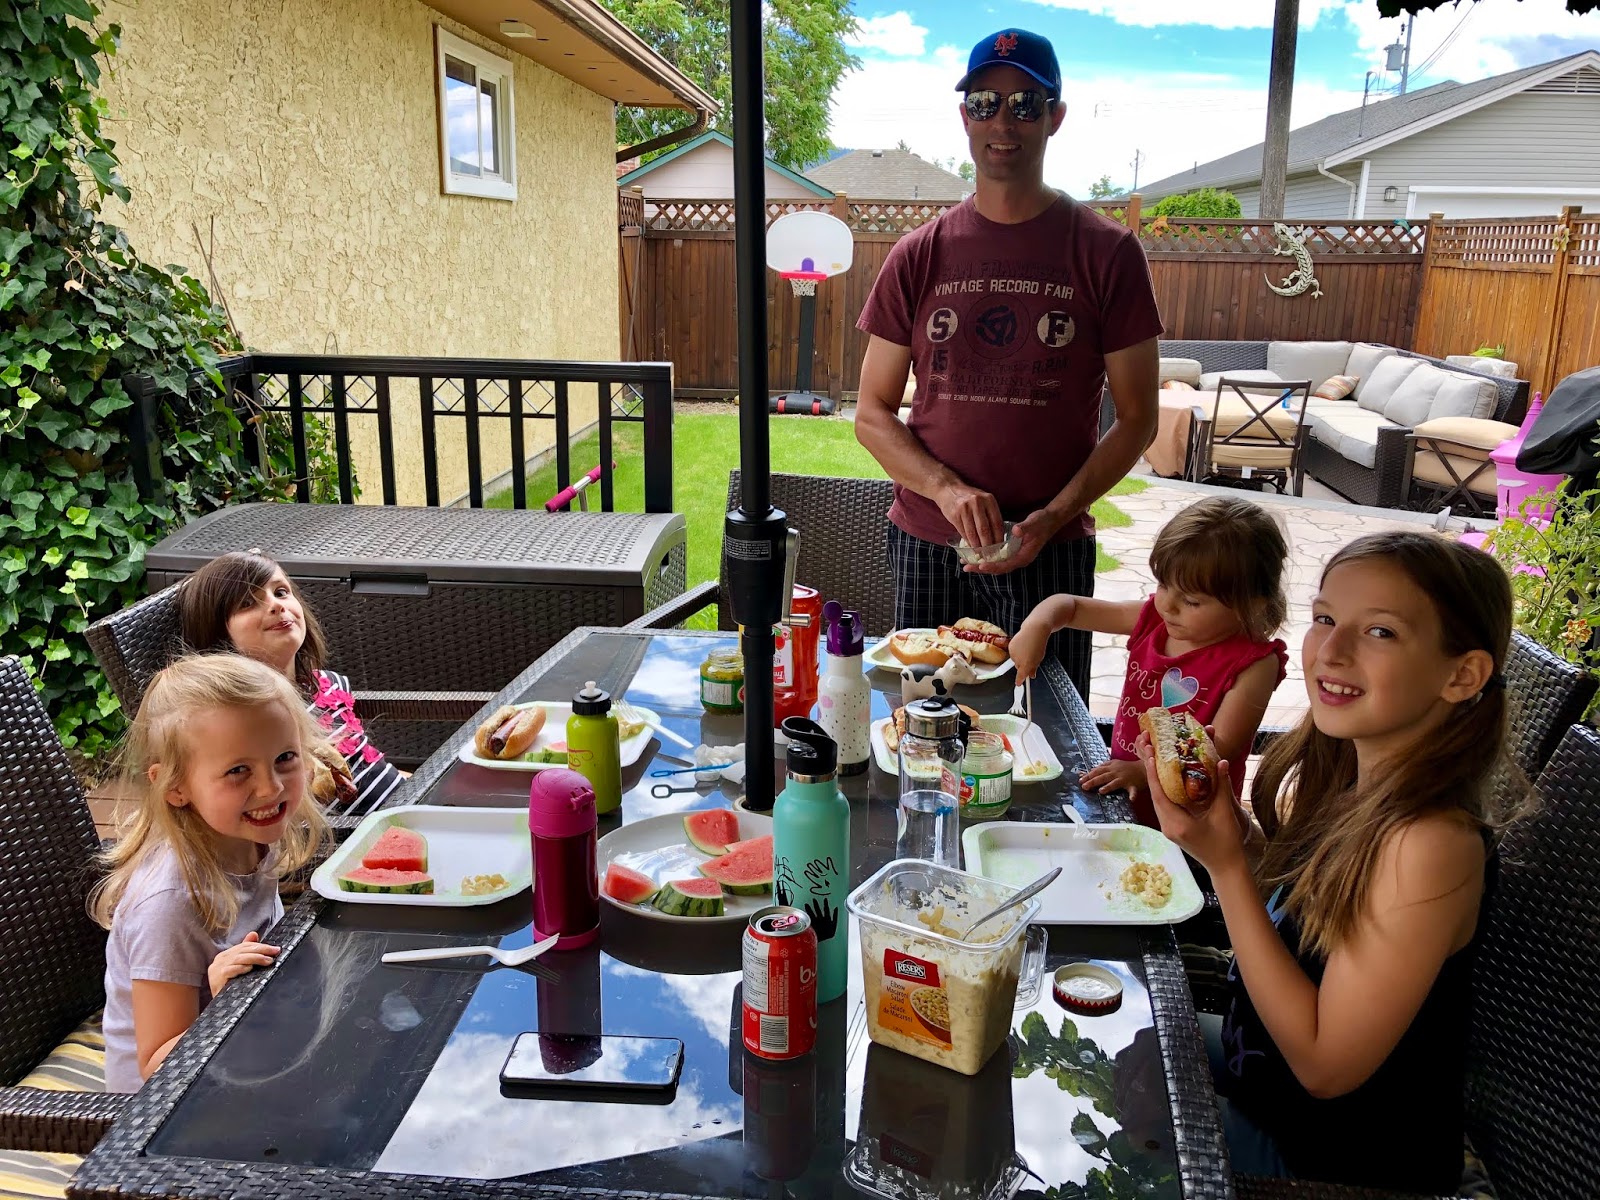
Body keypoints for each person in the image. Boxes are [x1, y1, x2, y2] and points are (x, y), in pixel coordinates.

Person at [1138, 532, 1511, 1191]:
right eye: (1325, 618)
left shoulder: (1431, 844)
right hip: (1263, 1075)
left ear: (1461, 676)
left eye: (1381, 632)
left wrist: (1225, 868)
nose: (1331, 651)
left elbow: (1324, 1065)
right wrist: (1235, 840)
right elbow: (1304, 915)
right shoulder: (1353, 783)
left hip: (1328, 1165)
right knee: (1122, 1035)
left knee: (1116, 1121)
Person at [854, 26, 1161, 700]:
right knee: (924, 725)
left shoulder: (1107, 253)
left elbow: (1139, 418)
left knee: (1049, 728)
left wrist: (1053, 516)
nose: (1003, 122)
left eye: (1025, 104)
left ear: (1056, 116)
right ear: (964, 116)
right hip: (930, 541)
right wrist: (945, 490)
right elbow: (871, 412)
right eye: (985, 103)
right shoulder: (919, 253)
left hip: (1051, 547)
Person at [92, 654, 330, 1092]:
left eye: (284, 757)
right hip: (165, 1107)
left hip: (247, 1045)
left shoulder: (250, 832)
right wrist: (222, 1002)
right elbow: (155, 1063)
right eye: (238, 771)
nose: (272, 787)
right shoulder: (169, 904)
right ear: (175, 787)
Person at [1010, 496, 1289, 826]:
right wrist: (1038, 625)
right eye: (1163, 585)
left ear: (1252, 604)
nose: (1168, 605)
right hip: (1124, 799)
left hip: (1194, 822)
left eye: (1191, 601)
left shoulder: (1254, 664)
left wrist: (1142, 771)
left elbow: (1218, 749)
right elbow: (1070, 607)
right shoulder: (1153, 620)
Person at [179, 550, 405, 812]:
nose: (276, 605)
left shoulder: (326, 683)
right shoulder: (250, 724)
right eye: (248, 603)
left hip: (405, 803)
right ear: (217, 634)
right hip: (365, 830)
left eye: (281, 592)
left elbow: (368, 766)